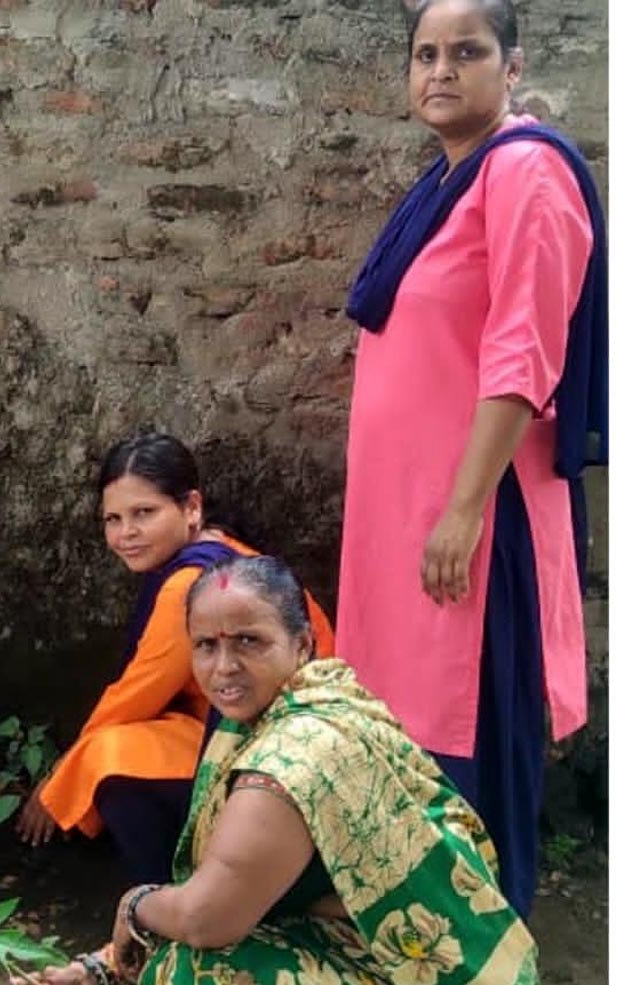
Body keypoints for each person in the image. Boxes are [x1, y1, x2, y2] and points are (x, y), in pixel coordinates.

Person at [337, 0, 606, 918]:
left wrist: (462, 508)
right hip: (415, 516)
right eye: (424, 54)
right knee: (415, 741)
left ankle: (489, 943)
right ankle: (431, 938)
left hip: (476, 522)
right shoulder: (449, 180)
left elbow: (524, 352)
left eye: (467, 51)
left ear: (513, 65)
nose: (440, 70)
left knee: (473, 740)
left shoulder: (525, 172)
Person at [32, 555, 538, 985]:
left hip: (426, 969)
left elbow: (207, 919)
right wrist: (106, 963)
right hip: (433, 949)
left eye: (249, 641)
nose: (224, 665)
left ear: (301, 645)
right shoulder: (310, 702)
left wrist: (133, 905)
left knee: (203, 967)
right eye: (207, 645)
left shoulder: (295, 756)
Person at [16, 433, 335, 885]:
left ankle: (167, 893)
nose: (126, 533)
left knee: (106, 756)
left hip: (278, 753)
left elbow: (136, 694)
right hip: (280, 740)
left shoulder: (190, 582)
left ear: (191, 508)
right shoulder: (219, 552)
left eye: (144, 513)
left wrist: (58, 780)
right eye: (113, 519)